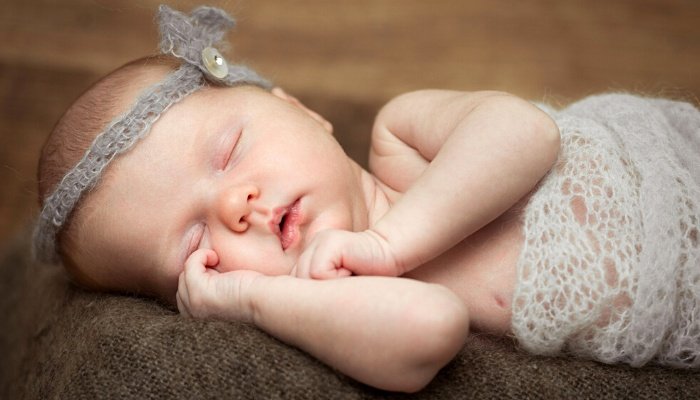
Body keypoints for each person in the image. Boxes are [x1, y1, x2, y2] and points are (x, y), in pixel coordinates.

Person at [33, 5, 700, 393]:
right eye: (195, 245)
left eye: (230, 151)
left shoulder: (399, 139)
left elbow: (526, 134)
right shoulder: (335, 294)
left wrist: (391, 241)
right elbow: (430, 329)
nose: (236, 205)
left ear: (299, 110)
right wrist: (254, 299)